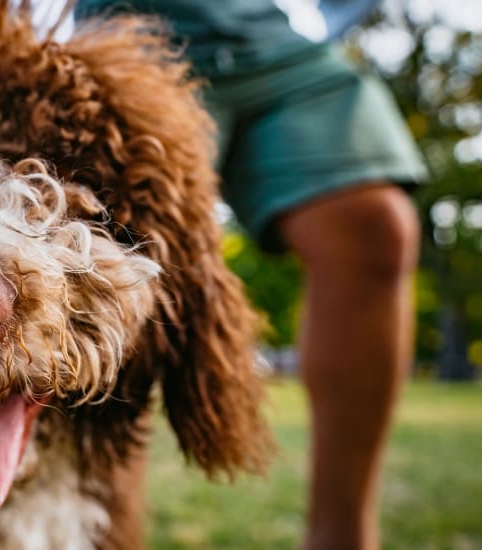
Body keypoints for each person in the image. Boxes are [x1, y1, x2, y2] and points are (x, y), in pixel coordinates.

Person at [74, 1, 427, 548]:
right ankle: (100, 533)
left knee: (375, 225)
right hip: (137, 31)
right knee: (125, 267)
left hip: (268, 34)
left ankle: (342, 537)